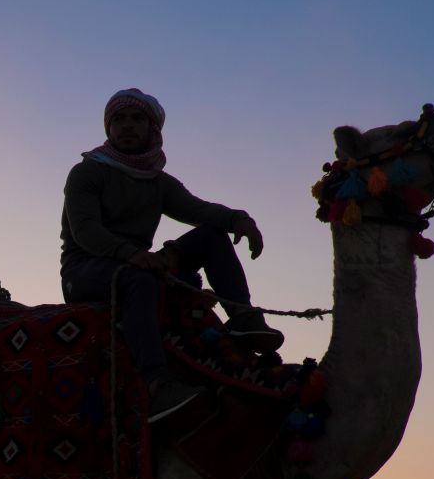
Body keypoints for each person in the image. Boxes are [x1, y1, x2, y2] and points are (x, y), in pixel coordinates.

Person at [60, 88, 282, 422]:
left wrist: (238, 219)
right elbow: (86, 232)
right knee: (140, 282)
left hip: (136, 260)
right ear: (108, 128)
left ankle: (243, 319)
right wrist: (130, 253)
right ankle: (157, 385)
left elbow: (198, 210)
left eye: (137, 119)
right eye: (119, 119)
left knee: (211, 236)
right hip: (86, 269)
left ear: (153, 129)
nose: (128, 126)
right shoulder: (87, 172)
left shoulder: (158, 182)